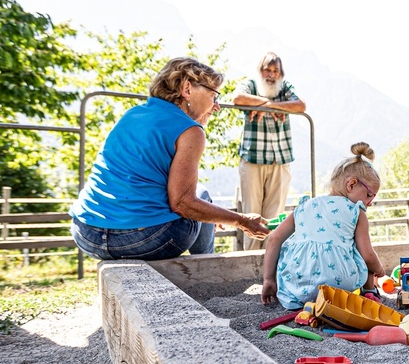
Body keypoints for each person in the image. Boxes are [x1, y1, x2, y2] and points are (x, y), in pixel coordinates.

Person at [71, 57, 270, 260]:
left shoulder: (132, 114)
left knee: (199, 204)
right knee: (200, 195)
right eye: (214, 95)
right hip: (141, 240)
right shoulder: (190, 130)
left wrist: (211, 215)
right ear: (187, 89)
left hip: (86, 233)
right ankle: (208, 265)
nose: (216, 106)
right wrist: (241, 221)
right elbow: (183, 203)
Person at [261, 142, 387, 310]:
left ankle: (300, 299)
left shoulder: (305, 206)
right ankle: (369, 292)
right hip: (339, 285)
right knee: (361, 252)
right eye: (369, 195)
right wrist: (379, 269)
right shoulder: (356, 211)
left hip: (298, 284)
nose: (369, 203)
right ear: (351, 184)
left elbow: (274, 239)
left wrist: (268, 279)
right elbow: (368, 255)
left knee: (289, 246)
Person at [231, 51, 306, 250]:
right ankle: (249, 260)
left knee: (274, 219)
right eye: (267, 70)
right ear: (260, 70)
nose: (271, 75)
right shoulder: (251, 85)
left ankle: (269, 262)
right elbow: (237, 98)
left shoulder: (285, 88)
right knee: (251, 216)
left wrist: (269, 106)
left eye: (275, 71)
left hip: (280, 160)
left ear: (281, 74)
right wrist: (272, 106)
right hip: (253, 159)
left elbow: (300, 105)